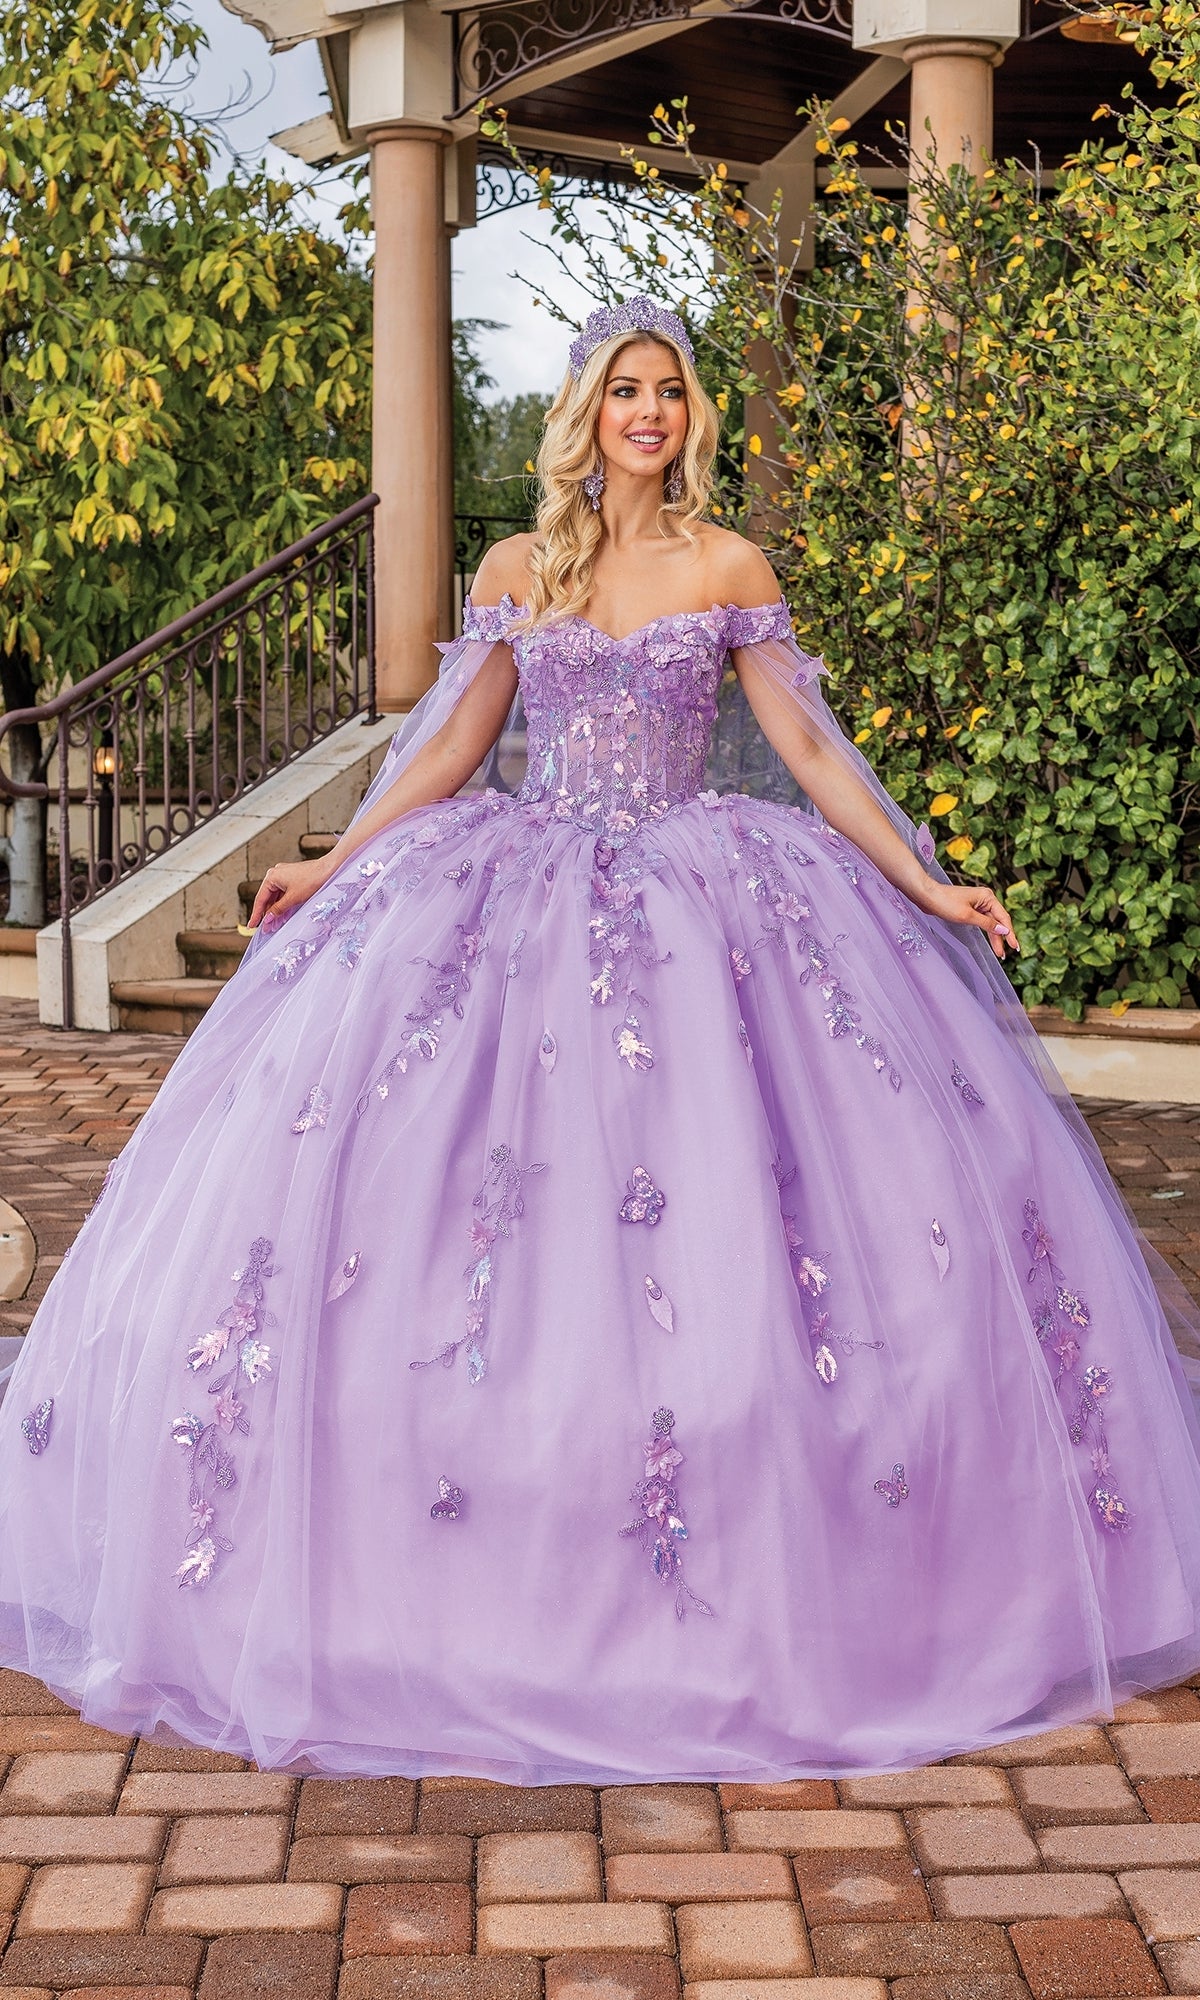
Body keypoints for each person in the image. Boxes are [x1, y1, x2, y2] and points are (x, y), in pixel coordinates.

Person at [2, 295, 1200, 1786]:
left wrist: (922, 877)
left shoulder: (728, 564)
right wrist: (338, 857)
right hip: (525, 889)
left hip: (708, 902)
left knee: (754, 1223)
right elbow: (448, 742)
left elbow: (815, 750)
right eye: (625, 390)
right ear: (587, 412)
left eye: (670, 392)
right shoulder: (523, 568)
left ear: (694, 416)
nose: (650, 412)